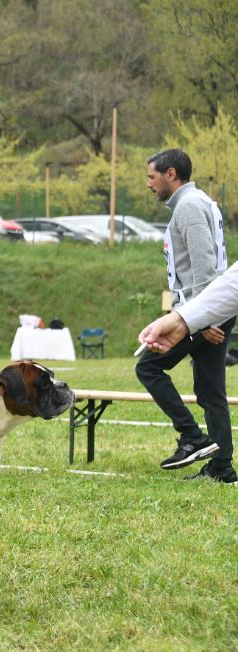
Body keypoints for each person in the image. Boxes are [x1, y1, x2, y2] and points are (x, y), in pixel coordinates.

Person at [135, 148, 235, 483]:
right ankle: (222, 468)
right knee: (210, 390)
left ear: (171, 174)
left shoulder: (189, 206)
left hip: (201, 309)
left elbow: (205, 268)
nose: (148, 184)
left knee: (148, 366)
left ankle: (193, 437)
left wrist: (200, 319)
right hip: (206, 309)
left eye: (151, 176)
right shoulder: (197, 202)